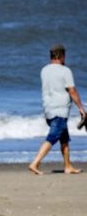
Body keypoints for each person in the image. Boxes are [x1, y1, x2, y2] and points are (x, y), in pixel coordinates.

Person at [29, 43, 87, 175]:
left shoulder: (44, 70)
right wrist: (81, 108)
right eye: (64, 56)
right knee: (53, 136)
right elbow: (71, 90)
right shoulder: (65, 71)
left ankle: (68, 166)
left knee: (64, 138)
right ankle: (35, 163)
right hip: (60, 110)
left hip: (48, 109)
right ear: (61, 56)